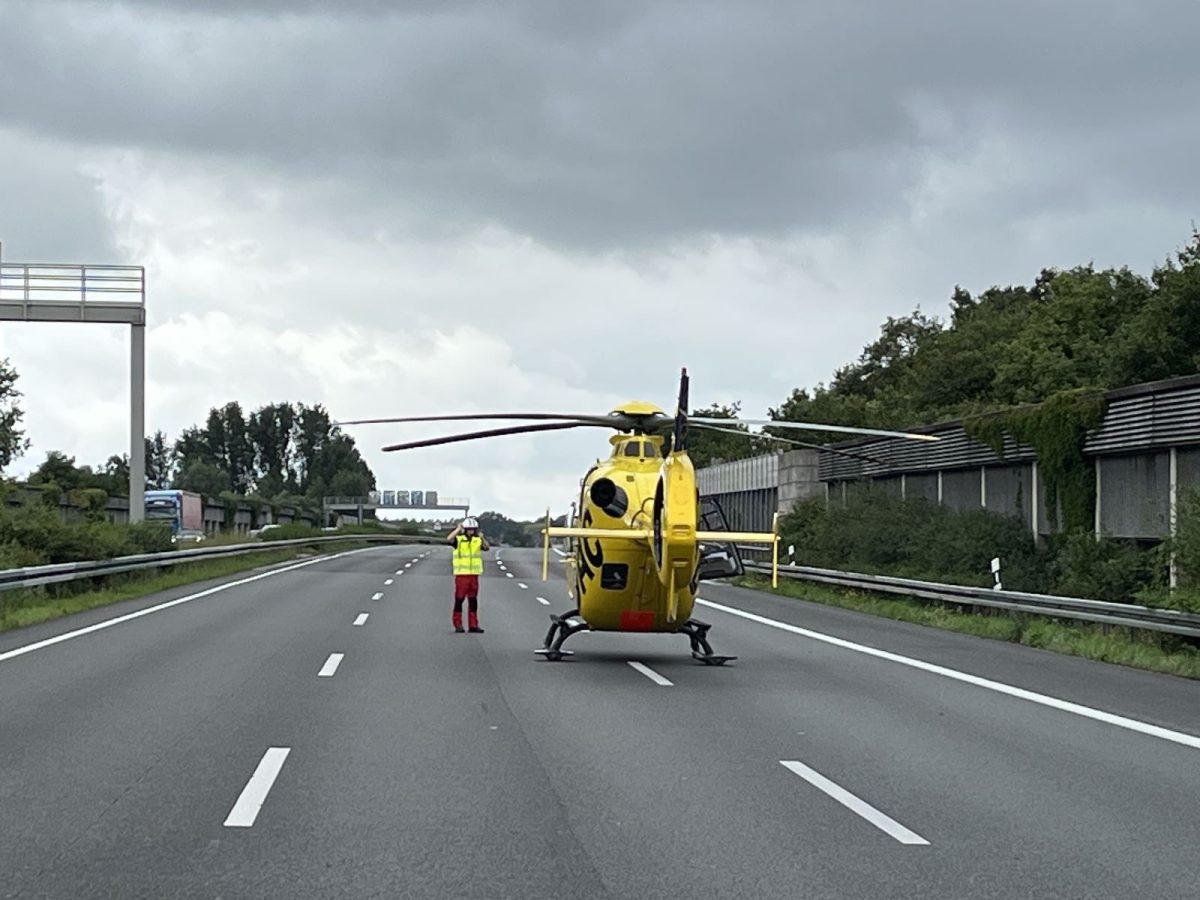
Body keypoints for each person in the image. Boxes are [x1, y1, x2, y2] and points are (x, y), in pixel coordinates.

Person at [447, 517, 489, 633]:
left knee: (473, 601)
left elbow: (486, 547)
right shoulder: (459, 540)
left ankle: (473, 625)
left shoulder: (477, 540)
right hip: (462, 575)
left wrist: (482, 537)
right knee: (459, 600)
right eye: (469, 529)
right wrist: (458, 529)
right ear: (465, 530)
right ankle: (458, 624)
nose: (471, 531)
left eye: (473, 529)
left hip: (474, 575)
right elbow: (449, 539)